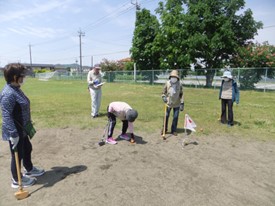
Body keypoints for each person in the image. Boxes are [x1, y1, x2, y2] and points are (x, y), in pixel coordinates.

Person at [0, 63, 45, 189]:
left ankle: (29, 168)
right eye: (21, 75)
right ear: (15, 77)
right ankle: (16, 179)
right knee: (17, 155)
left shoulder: (16, 88)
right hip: (15, 130)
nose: (23, 77)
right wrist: (13, 134)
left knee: (27, 148)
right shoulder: (8, 93)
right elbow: (7, 115)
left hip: (23, 128)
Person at [161, 70, 184, 136]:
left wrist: (182, 103)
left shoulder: (180, 84)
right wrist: (163, 97)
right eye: (172, 76)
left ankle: (173, 130)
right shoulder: (167, 83)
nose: (173, 78)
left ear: (177, 77)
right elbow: (163, 92)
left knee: (175, 117)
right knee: (166, 116)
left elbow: (181, 94)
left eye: (175, 77)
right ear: (170, 77)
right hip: (168, 103)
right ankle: (164, 129)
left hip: (177, 104)